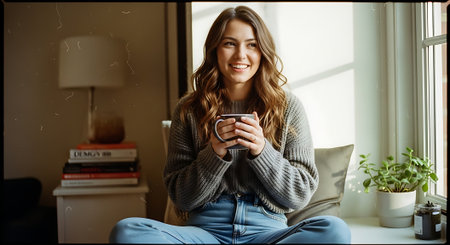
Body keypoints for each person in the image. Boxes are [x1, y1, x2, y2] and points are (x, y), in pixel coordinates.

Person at [109, 5, 351, 244]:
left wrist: (262, 150)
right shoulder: (188, 110)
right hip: (204, 232)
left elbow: (298, 195)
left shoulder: (288, 107)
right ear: (215, 50)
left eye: (252, 45)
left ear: (262, 52)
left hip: (267, 232)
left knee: (334, 230)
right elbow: (181, 198)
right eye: (229, 44)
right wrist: (214, 154)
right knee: (127, 231)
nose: (240, 56)